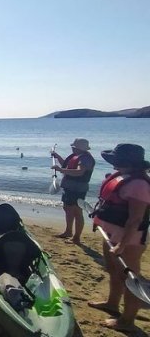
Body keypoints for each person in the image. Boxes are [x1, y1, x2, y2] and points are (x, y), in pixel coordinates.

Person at [88, 143, 150, 332]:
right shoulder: (123, 177)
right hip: (111, 234)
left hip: (129, 240)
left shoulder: (139, 184)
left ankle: (127, 320)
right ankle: (112, 303)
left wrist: (122, 245)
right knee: (113, 271)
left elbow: (135, 219)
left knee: (130, 280)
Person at [51, 138, 95, 244]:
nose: (72, 148)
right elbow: (65, 165)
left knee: (77, 212)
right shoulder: (75, 156)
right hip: (69, 187)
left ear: (79, 148)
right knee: (67, 208)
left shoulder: (86, 159)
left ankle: (76, 237)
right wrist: (57, 156)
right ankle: (68, 231)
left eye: (74, 147)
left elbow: (79, 172)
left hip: (78, 189)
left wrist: (61, 170)